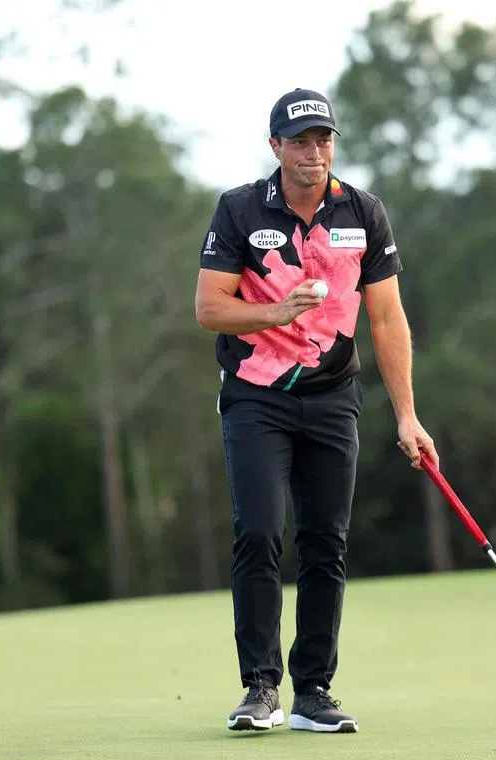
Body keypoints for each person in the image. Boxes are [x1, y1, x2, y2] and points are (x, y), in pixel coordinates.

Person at [193, 87, 439, 734]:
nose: (313, 152)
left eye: (323, 139)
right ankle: (260, 688)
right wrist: (276, 311)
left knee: (326, 542)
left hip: (332, 399)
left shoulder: (363, 211)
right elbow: (209, 308)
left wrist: (407, 415)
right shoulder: (241, 209)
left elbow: (386, 318)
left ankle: (314, 692)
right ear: (275, 146)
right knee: (259, 531)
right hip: (256, 396)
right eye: (299, 141)